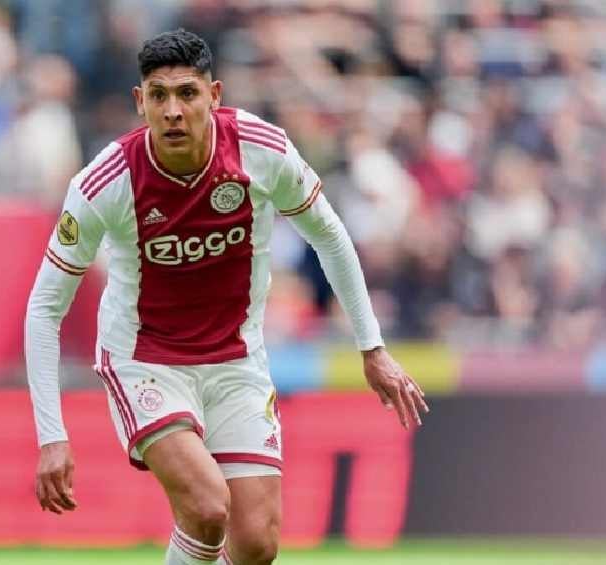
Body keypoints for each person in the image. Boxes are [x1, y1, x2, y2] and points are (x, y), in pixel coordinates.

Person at [24, 29, 429, 565]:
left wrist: (372, 348)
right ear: (140, 101)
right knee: (208, 507)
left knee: (257, 544)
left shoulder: (261, 151)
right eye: (159, 95)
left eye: (187, 94)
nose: (173, 111)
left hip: (237, 361)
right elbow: (45, 307)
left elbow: (329, 235)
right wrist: (51, 436)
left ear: (214, 96)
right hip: (146, 362)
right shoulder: (106, 183)